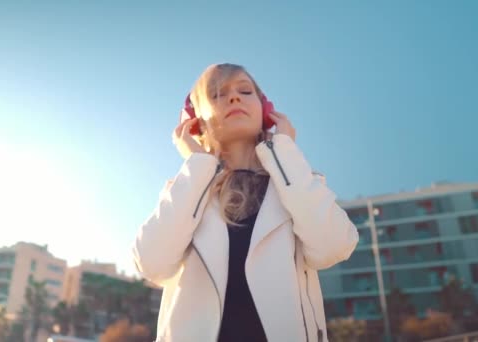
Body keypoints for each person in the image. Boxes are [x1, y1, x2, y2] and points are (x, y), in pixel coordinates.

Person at [131, 63, 359, 342]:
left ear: (266, 111)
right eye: (217, 94)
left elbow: (335, 246)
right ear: (195, 122)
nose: (234, 98)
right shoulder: (187, 191)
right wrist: (198, 164)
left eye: (245, 90)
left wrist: (284, 151)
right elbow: (152, 263)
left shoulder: (296, 183)